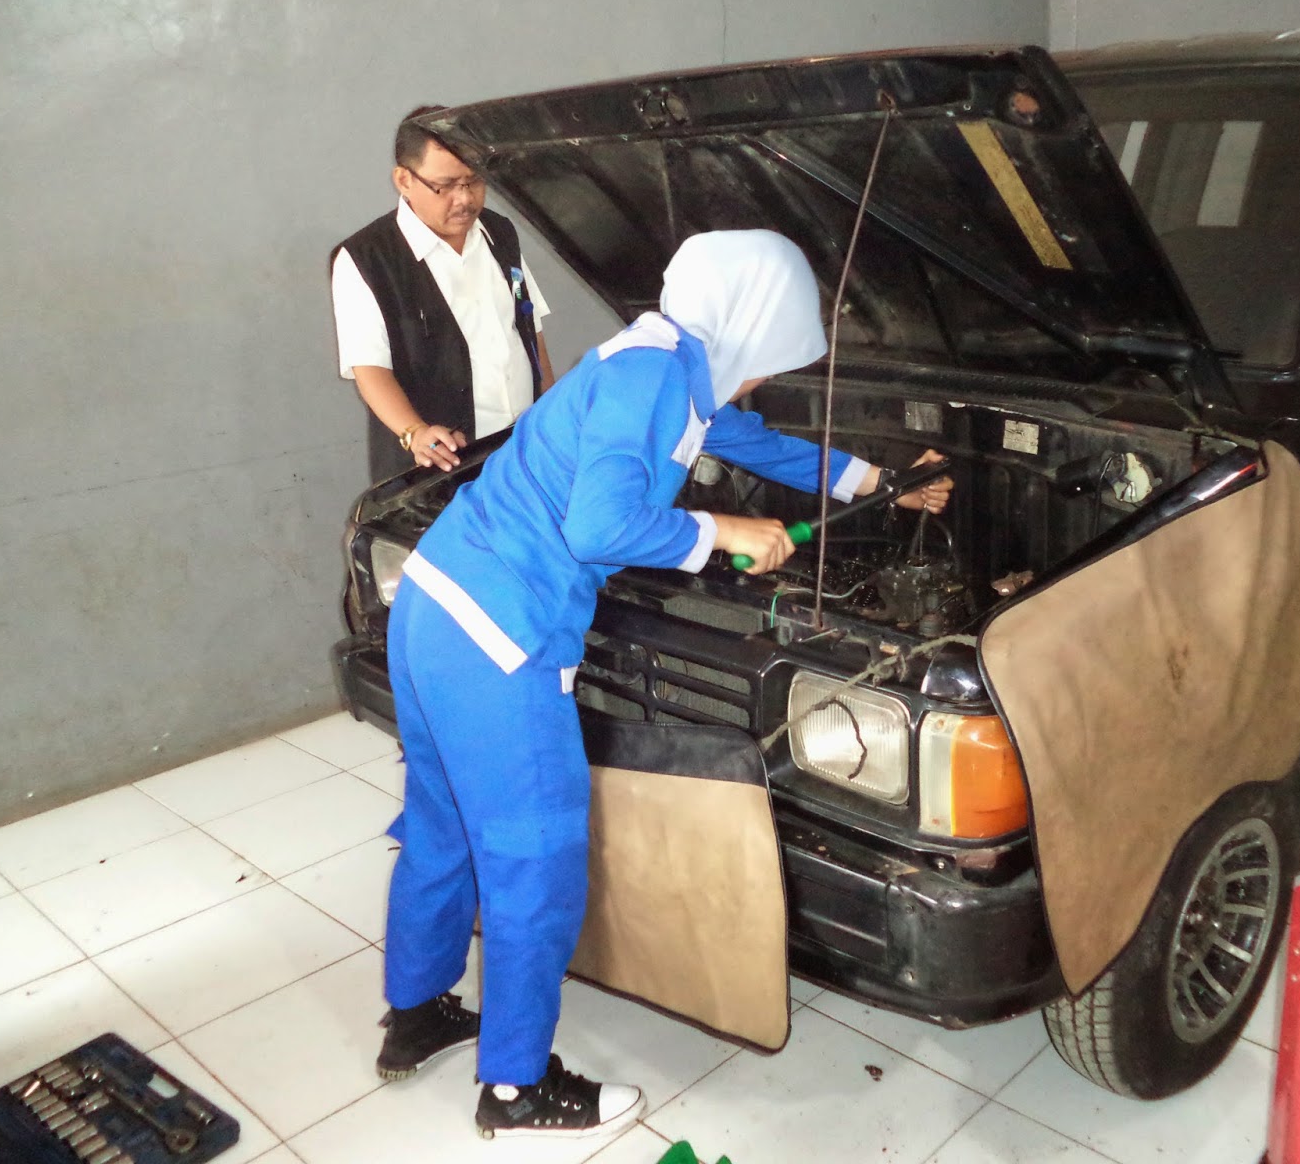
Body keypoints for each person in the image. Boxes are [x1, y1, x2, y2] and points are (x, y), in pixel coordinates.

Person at [372, 228, 953, 1139]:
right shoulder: (655, 382)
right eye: (776, 351)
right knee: (535, 864)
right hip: (499, 639)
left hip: (433, 605)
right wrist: (722, 532)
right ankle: (517, 1089)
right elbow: (600, 528)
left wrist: (877, 481)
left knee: (443, 826)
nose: (769, 374)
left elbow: (754, 441)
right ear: (750, 325)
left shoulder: (660, 362)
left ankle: (414, 1014)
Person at [331, 105, 558, 482]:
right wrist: (414, 432)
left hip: (522, 449)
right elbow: (369, 368)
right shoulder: (367, 258)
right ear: (404, 180)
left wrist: (551, 411)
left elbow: (529, 330)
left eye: (475, 181)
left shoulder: (500, 233)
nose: (465, 199)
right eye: (446, 185)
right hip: (441, 465)